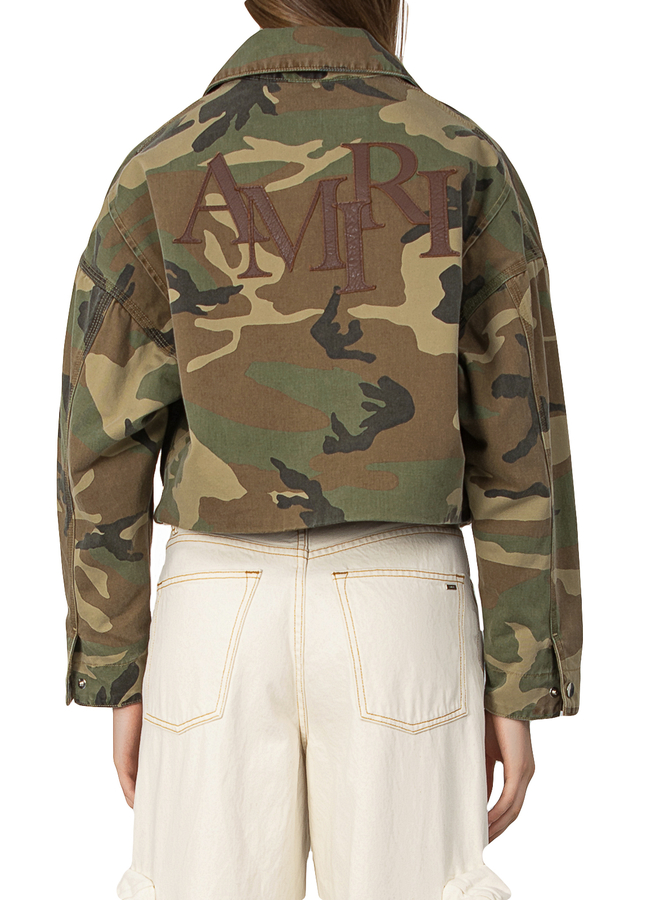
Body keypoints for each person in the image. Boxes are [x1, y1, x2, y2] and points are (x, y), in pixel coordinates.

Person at [56, 1, 583, 897]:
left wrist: (118, 665)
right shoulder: (462, 157)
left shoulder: (159, 167)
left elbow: (98, 435)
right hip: (403, 600)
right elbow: (519, 436)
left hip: (214, 605)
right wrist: (517, 675)